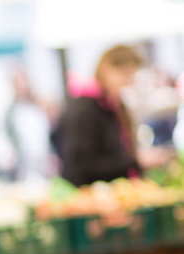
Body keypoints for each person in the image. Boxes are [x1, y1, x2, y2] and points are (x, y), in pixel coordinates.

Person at [57, 44, 174, 187]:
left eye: (131, 75)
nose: (128, 81)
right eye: (124, 74)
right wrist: (135, 162)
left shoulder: (115, 104)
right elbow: (82, 165)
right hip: (92, 196)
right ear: (106, 69)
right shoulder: (85, 108)